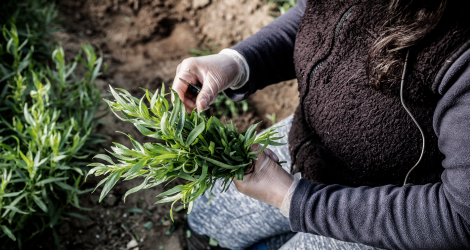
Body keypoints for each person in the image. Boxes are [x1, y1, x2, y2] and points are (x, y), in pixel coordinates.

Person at [171, 0, 470, 249]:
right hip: (313, 147)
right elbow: (317, 16)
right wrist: (239, 62)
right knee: (206, 220)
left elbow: (460, 218)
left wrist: (290, 198)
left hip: (391, 208)